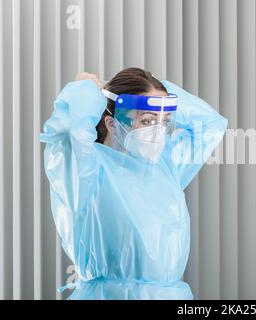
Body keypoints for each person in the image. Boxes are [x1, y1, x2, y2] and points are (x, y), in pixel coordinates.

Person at [40, 68, 228, 299]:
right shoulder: (86, 169)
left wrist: (162, 96)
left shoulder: (164, 166)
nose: (158, 132)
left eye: (165, 121)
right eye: (147, 120)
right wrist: (87, 91)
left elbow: (210, 125)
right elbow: (68, 132)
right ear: (111, 123)